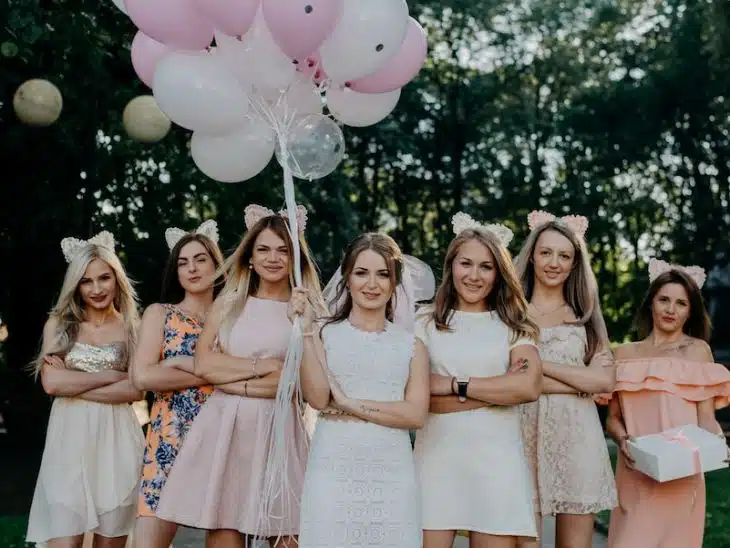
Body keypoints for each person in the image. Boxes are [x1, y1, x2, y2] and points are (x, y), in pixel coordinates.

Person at [155, 205, 323, 548]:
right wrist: (261, 368)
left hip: (280, 428)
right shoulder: (228, 304)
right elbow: (204, 366)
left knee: (288, 532)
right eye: (263, 249)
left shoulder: (309, 310)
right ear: (249, 257)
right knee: (224, 526)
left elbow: (296, 383)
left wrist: (230, 376)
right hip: (225, 426)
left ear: (295, 258)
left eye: (283, 250)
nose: (273, 258)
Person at [416, 212, 542, 548]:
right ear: (451, 266)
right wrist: (500, 390)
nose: (474, 276)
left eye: (485, 267)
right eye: (466, 264)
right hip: (436, 461)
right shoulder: (423, 322)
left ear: (498, 273)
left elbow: (527, 387)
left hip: (496, 462)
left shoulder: (516, 325)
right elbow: (418, 396)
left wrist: (453, 384)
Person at [297, 233, 431, 548]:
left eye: (383, 274)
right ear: (347, 277)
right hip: (333, 465)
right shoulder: (322, 334)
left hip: (391, 469)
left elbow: (414, 414)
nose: (372, 284)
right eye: (362, 273)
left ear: (396, 281)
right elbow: (317, 398)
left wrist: (347, 402)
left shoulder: (412, 345)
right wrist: (305, 330)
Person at [27, 231, 145, 548]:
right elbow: (52, 383)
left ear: (116, 278)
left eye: (104, 278)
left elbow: (136, 390)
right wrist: (110, 374)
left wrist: (72, 382)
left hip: (118, 439)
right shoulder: (58, 324)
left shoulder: (133, 327)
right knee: (64, 539)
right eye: (86, 281)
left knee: (110, 541)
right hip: (68, 442)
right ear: (75, 285)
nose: (96, 289)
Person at [606, 259, 730, 547]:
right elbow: (612, 417)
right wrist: (624, 440)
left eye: (681, 303)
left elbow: (705, 417)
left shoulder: (698, 352)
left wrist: (716, 444)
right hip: (636, 472)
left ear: (690, 312)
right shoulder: (624, 354)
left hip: (682, 475)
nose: (671, 310)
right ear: (651, 303)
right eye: (664, 300)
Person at [514, 210, 616, 547]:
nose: (554, 262)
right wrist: (579, 381)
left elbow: (603, 383)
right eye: (546, 252)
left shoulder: (585, 315)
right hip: (521, 435)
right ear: (531, 257)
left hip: (578, 438)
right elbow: (510, 381)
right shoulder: (512, 313)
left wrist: (539, 367)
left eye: (564, 255)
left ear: (574, 264)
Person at [131, 221, 224, 548]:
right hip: (168, 443)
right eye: (183, 262)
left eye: (200, 259)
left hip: (221, 442)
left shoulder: (233, 319)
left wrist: (175, 366)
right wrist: (216, 372)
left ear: (217, 263)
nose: (192, 268)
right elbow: (143, 377)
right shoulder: (160, 314)